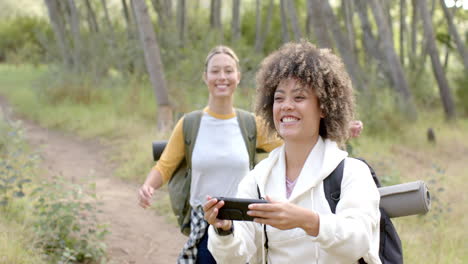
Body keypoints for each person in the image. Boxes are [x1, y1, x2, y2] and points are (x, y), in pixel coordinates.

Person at [203, 41, 381, 263]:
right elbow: (234, 258)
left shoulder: (352, 172)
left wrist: (308, 221)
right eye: (279, 98)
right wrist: (224, 230)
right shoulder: (258, 179)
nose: (286, 105)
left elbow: (359, 241)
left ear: (324, 107)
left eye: (299, 97)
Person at [137, 45, 282, 264]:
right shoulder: (189, 124)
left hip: (243, 222)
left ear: (238, 77)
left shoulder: (251, 124)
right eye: (215, 71)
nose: (222, 77)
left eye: (228, 70)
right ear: (205, 77)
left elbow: (293, 142)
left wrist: (335, 129)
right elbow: (164, 166)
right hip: (205, 222)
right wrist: (148, 186)